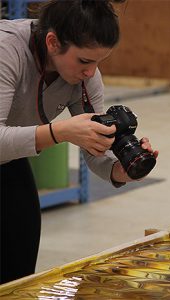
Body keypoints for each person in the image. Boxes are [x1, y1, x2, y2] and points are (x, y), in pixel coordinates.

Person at [0, 0, 158, 284]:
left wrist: (117, 169)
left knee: (18, 268)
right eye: (84, 61)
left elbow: (94, 148)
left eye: (99, 62)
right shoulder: (6, 50)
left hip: (8, 160)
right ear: (52, 42)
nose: (91, 72)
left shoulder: (86, 76)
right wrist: (59, 132)